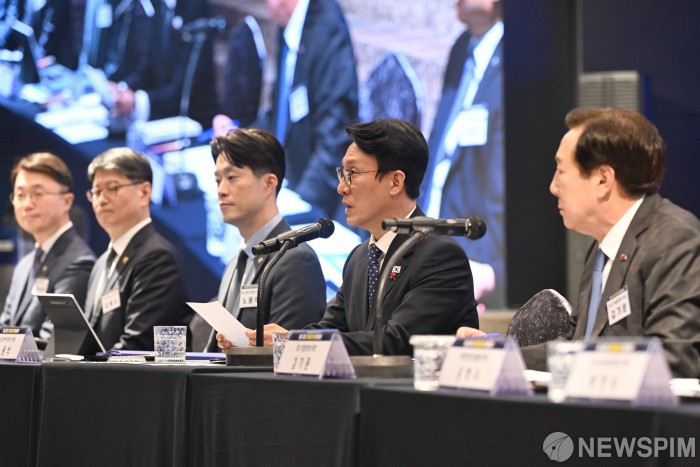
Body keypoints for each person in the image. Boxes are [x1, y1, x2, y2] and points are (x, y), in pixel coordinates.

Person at [459, 107, 700, 378]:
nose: (553, 187)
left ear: (603, 179)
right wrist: (494, 354)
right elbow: (575, 346)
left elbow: (674, 359)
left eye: (561, 171)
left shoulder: (673, 239)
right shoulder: (603, 247)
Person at [218, 119, 480, 355]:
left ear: (395, 182)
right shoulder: (360, 257)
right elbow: (330, 327)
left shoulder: (439, 255)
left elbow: (396, 341)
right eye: (342, 174)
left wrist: (293, 341)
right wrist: (270, 340)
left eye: (352, 175)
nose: (341, 187)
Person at [215, 0, 358, 218]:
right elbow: (280, 116)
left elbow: (334, 143)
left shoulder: (327, 30)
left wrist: (297, 210)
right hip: (283, 181)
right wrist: (239, 137)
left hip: (313, 198)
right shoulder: (290, 24)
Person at [205, 128, 326, 352]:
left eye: (231, 178)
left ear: (269, 183)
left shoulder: (295, 260)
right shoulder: (234, 264)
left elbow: (289, 356)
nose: (221, 190)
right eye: (218, 180)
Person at [420, 0, 505, 307]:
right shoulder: (462, 48)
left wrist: (492, 270)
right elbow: (439, 147)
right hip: (435, 239)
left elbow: (501, 184)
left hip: (476, 255)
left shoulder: (513, 55)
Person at [84, 147, 192, 350]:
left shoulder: (158, 257)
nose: (101, 199)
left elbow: (139, 346)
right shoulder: (101, 263)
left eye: (113, 188)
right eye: (96, 191)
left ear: (144, 192)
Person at [1, 153, 95, 339]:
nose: (27, 204)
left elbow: (51, 343)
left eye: (38, 193)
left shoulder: (78, 263)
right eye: (20, 195)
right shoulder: (24, 265)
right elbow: (5, 328)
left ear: (66, 201)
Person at [85, 0, 219, 126]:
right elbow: (148, 63)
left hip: (192, 121)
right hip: (161, 118)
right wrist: (123, 89)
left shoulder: (195, 6)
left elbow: (185, 83)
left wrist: (136, 101)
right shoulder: (160, 4)